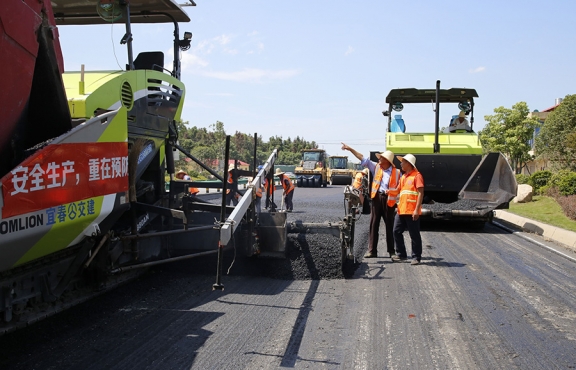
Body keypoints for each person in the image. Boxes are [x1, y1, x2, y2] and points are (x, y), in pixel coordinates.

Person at [341, 143, 400, 259]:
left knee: (390, 225)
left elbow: (401, 188)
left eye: (381, 158)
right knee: (373, 224)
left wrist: (397, 201)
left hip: (389, 200)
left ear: (387, 160)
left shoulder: (397, 172)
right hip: (377, 198)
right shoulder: (376, 167)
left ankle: (392, 252)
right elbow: (362, 158)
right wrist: (350, 149)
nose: (379, 159)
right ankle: (372, 251)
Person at [392, 154, 424, 265]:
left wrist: (417, 209)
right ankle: (401, 255)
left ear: (409, 164)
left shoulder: (417, 176)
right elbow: (398, 190)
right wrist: (389, 192)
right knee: (396, 231)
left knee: (414, 235)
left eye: (403, 162)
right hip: (401, 210)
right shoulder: (403, 177)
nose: (401, 164)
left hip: (411, 211)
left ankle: (416, 257)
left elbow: (420, 193)